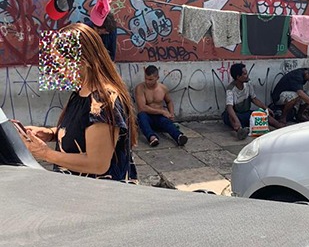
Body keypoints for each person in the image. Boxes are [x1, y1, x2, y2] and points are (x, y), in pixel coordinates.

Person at [22, 23, 138, 182]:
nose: (57, 69)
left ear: (83, 61)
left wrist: (45, 154)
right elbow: (83, 129)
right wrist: (51, 133)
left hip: (100, 194)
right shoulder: (80, 92)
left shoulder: (103, 101)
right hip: (78, 189)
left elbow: (98, 164)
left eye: (60, 62)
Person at [223, 63, 285, 140]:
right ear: (238, 77)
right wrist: (236, 120)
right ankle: (240, 131)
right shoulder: (230, 89)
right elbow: (229, 107)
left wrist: (266, 108)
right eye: (245, 74)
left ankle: (279, 126)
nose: (247, 76)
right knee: (231, 117)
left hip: (246, 113)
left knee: (262, 114)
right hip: (235, 114)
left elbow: (254, 99)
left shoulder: (248, 84)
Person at [135, 65, 188, 147]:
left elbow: (169, 101)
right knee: (141, 116)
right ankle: (152, 138)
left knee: (167, 123)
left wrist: (171, 113)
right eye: (146, 78)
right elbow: (142, 107)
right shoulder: (140, 88)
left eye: (150, 79)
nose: (147, 82)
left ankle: (179, 137)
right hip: (147, 117)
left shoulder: (163, 88)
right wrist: (162, 111)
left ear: (157, 78)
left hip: (159, 118)